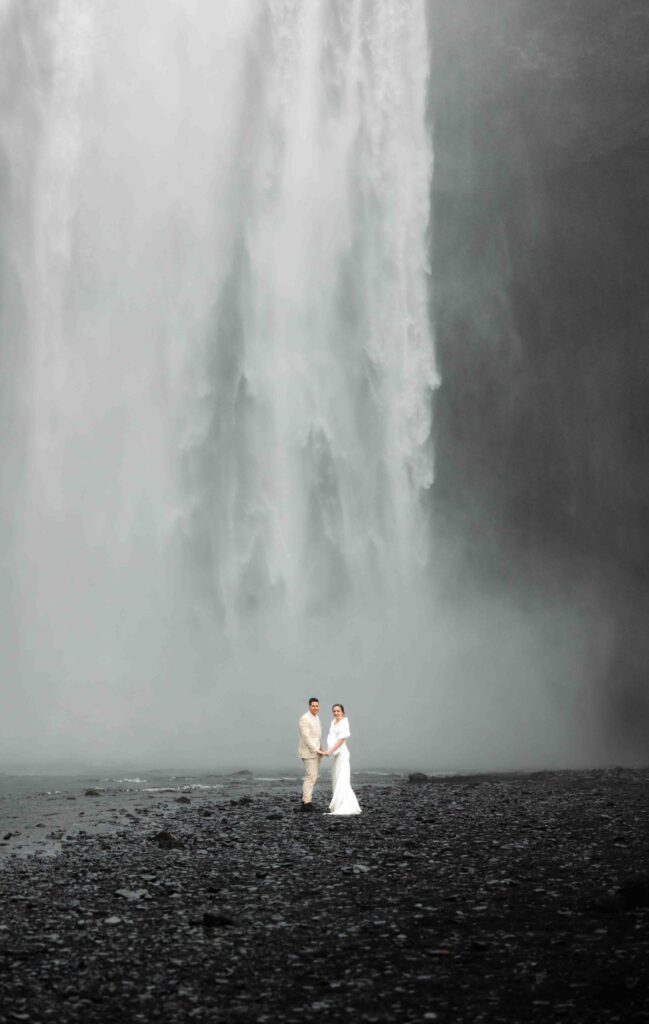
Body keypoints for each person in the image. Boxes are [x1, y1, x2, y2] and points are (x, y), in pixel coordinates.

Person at [325, 703, 361, 815]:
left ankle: (346, 805)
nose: (336, 713)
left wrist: (329, 751)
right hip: (337, 754)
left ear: (343, 712)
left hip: (343, 754)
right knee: (336, 777)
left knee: (343, 779)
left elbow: (341, 740)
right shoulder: (333, 722)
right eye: (334, 711)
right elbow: (332, 737)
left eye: (338, 711)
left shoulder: (344, 723)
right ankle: (338, 805)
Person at [297, 697, 326, 812]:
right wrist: (316, 750)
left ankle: (306, 798)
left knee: (312, 777)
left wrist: (320, 748)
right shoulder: (304, 718)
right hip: (308, 753)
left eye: (317, 706)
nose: (315, 708)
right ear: (309, 706)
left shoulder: (317, 717)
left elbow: (317, 736)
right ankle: (306, 803)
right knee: (311, 777)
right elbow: (306, 738)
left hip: (317, 752)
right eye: (313, 706)